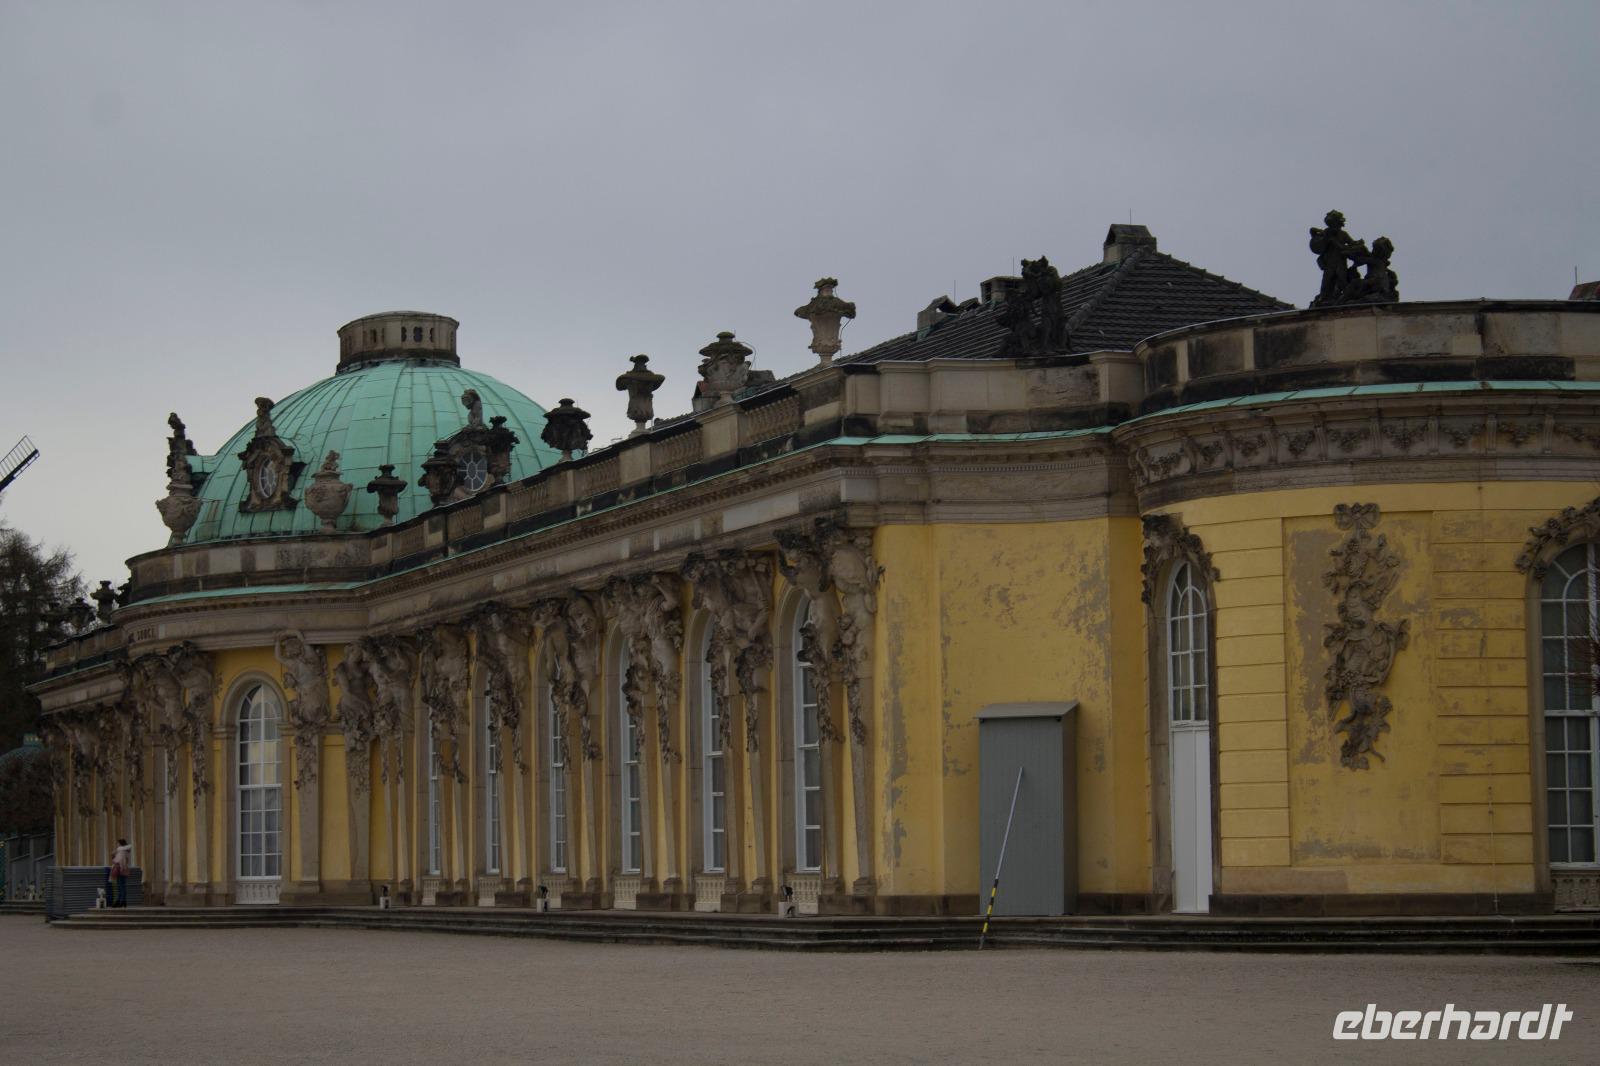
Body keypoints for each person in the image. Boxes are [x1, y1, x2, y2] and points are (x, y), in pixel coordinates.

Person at [109, 838, 133, 908]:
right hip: (122, 869)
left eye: (118, 843)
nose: (117, 845)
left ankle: (121, 901)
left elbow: (118, 861)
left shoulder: (122, 851)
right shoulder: (124, 851)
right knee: (121, 886)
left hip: (120, 869)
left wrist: (113, 855)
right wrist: (113, 855)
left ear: (121, 844)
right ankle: (121, 901)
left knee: (121, 886)